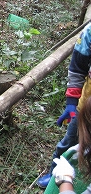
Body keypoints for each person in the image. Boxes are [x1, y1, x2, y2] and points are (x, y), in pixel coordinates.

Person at [37, 22, 91, 188]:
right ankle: (56, 172)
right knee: (69, 141)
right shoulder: (90, 32)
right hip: (86, 108)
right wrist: (71, 103)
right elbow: (77, 69)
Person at [46, 96, 91, 194]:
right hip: (82, 104)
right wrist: (72, 100)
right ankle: (52, 174)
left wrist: (64, 179)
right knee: (67, 142)